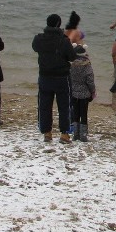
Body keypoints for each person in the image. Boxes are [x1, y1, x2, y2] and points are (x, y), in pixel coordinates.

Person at [32, 14, 77, 143]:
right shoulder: (63, 40)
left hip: (45, 76)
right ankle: (64, 134)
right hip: (61, 77)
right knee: (65, 106)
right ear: (58, 24)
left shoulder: (39, 39)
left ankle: (47, 132)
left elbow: (35, 47)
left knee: (44, 105)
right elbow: (72, 57)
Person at [69, 43, 96, 142]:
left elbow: (70, 79)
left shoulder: (72, 65)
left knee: (76, 114)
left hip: (74, 93)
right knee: (84, 114)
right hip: (85, 94)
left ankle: (75, 134)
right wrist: (93, 91)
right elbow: (90, 81)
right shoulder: (87, 66)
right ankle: (83, 135)